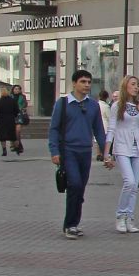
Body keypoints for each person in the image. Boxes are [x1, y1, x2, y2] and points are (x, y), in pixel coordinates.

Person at [49, 69, 112, 238]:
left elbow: (99, 130)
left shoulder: (93, 105)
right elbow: (54, 129)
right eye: (83, 82)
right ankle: (70, 224)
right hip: (68, 151)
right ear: (74, 83)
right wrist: (54, 151)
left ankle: (73, 223)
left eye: (89, 82)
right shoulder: (63, 103)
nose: (87, 85)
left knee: (80, 189)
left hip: (85, 152)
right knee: (74, 185)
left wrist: (106, 154)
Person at [105, 75, 139, 234]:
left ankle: (129, 217)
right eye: (133, 84)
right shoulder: (118, 105)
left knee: (134, 186)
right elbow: (111, 129)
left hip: (138, 147)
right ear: (125, 86)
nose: (136, 87)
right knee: (129, 181)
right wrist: (106, 153)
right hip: (122, 147)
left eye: (138, 85)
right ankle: (120, 215)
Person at [0, 85, 24, 157]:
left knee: (2, 137)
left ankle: (4, 150)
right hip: (10, 120)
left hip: (1, 120)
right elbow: (16, 111)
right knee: (13, 136)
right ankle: (17, 149)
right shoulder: (12, 100)